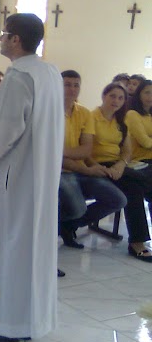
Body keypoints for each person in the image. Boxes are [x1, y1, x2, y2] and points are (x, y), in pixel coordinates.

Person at [0, 13, 64, 342]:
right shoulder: (49, 72)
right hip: (39, 176)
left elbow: (4, 133)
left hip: (14, 181)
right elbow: (27, 120)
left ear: (16, 40)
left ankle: (4, 326)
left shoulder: (19, 75)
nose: (1, 38)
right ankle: (28, 320)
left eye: (5, 34)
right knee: (30, 248)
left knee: (5, 246)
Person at [58, 70, 127, 249]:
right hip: (59, 172)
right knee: (78, 208)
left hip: (80, 168)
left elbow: (86, 150)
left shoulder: (83, 113)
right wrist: (84, 165)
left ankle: (68, 226)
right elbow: (51, 157)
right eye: (67, 84)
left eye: (76, 85)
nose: (72, 89)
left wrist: (60, 152)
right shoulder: (49, 111)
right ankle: (53, 229)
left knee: (118, 200)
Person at [89, 82, 152, 263]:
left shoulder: (121, 120)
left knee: (136, 185)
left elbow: (126, 150)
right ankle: (137, 243)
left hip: (118, 165)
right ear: (103, 96)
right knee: (136, 186)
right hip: (98, 164)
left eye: (121, 98)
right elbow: (86, 150)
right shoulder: (91, 117)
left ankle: (138, 241)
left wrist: (120, 165)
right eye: (112, 96)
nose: (116, 101)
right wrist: (101, 167)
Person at [126, 79, 152, 162]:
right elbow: (145, 142)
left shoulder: (149, 116)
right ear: (139, 94)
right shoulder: (132, 114)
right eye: (147, 92)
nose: (150, 96)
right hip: (141, 160)